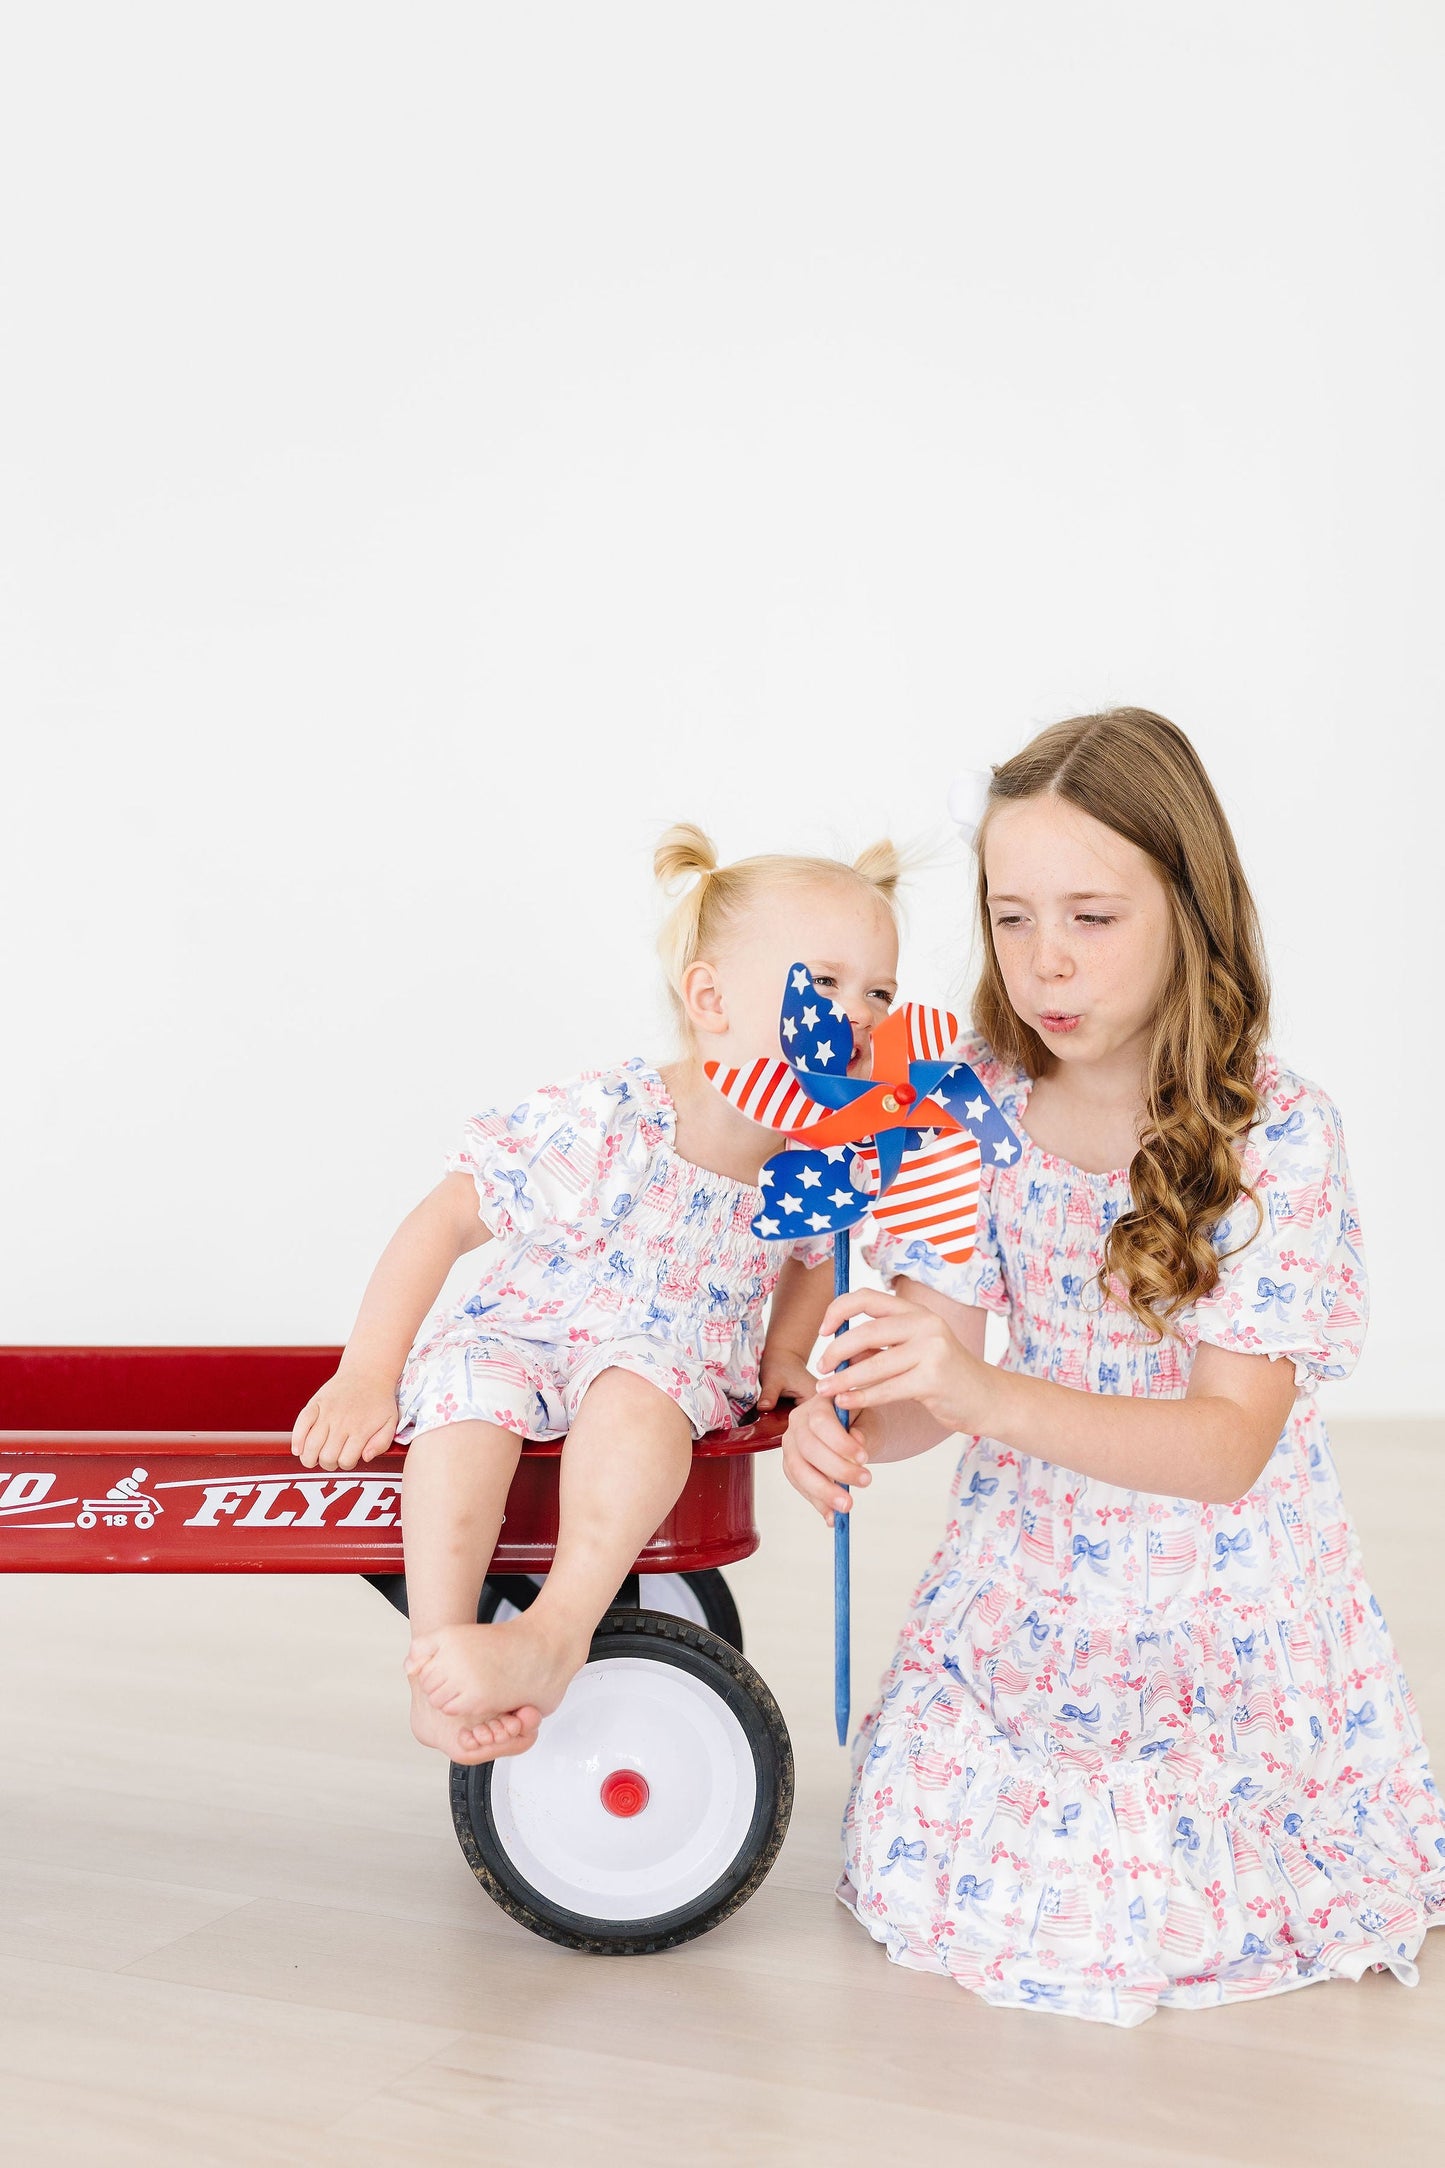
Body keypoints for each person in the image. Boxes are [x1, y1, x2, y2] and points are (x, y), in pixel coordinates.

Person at [785, 707, 1443, 2024]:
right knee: (925, 1816)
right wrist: (851, 1411)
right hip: (1028, 1576)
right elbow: (941, 1373)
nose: (1043, 964)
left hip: (1220, 1592)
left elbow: (1222, 1449)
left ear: (1187, 909)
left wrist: (976, 1398)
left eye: (1091, 917)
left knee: (1143, 1871)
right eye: (1010, 915)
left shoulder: (1276, 1136)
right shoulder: (972, 1099)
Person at [290, 825, 891, 1764]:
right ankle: (436, 1654)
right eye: (821, 985)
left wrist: (783, 1353)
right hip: (528, 1333)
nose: (855, 1017)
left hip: (665, 1356)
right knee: (466, 1399)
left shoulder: (819, 1156)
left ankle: (553, 1634)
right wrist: (368, 1373)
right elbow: (447, 1218)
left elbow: (816, 1256)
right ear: (709, 998)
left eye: (878, 994)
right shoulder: (616, 1116)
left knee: (635, 1392)